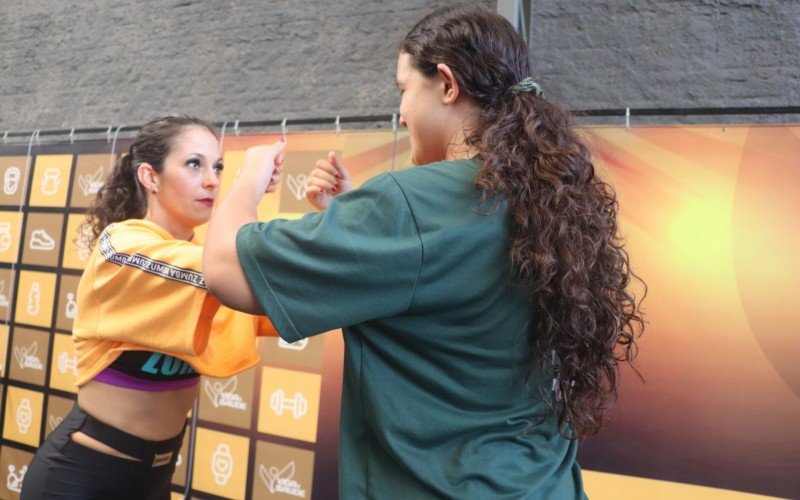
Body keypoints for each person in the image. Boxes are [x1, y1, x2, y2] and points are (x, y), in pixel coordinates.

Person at [204, 4, 645, 498]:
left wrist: (244, 182)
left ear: (447, 84)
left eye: (403, 90)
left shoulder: (409, 204)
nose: (401, 112)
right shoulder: (551, 202)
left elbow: (224, 268)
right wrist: (351, 216)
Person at [22, 114, 280, 499]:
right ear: (150, 177)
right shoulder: (121, 248)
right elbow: (225, 274)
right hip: (80, 478)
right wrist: (247, 187)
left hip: (155, 480)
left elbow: (280, 295)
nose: (212, 179)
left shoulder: (202, 258)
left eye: (219, 167)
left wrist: (338, 214)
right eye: (194, 164)